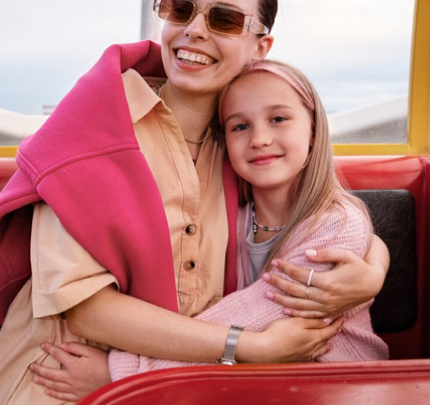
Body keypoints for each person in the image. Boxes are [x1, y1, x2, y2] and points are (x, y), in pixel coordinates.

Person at [0, 0, 390, 404]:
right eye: (180, 10)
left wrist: (373, 270)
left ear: (261, 46)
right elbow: (85, 309)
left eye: (223, 19)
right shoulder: (90, 129)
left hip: (188, 383)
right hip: (66, 376)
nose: (195, 30)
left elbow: (321, 219)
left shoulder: (242, 143)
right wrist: (246, 347)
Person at [30, 60, 389, 400]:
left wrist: (120, 374)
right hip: (250, 384)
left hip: (336, 386)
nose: (260, 138)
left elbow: (256, 318)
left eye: (278, 118)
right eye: (240, 126)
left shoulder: (337, 223)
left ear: (313, 130)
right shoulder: (231, 217)